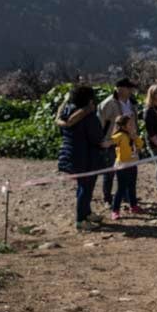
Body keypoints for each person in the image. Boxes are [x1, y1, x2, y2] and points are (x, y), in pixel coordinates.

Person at [56, 85, 108, 231]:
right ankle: (80, 219)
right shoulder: (89, 117)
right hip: (86, 157)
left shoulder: (65, 114)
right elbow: (97, 137)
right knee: (86, 187)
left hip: (71, 154)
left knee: (83, 185)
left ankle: (87, 213)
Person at [97, 78, 140, 205]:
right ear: (120, 88)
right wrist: (104, 140)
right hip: (111, 141)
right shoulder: (108, 104)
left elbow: (134, 121)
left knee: (127, 170)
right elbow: (101, 123)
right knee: (109, 171)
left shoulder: (132, 103)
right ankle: (107, 199)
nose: (131, 90)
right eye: (129, 88)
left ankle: (126, 196)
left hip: (128, 141)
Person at [108, 114, 144, 219]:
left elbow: (140, 144)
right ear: (123, 126)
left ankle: (133, 206)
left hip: (133, 164)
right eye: (130, 124)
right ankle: (115, 210)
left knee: (132, 186)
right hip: (122, 166)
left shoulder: (132, 135)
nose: (133, 125)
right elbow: (111, 140)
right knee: (121, 188)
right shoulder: (120, 136)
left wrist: (135, 137)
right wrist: (104, 143)